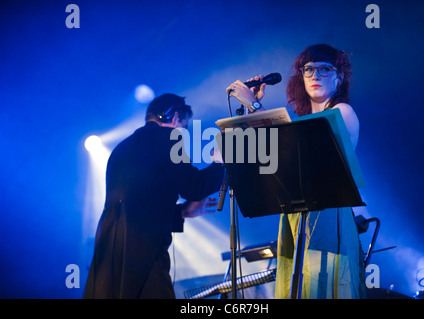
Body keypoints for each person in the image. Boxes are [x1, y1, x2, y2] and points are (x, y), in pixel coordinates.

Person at [226, 44, 365, 299]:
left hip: (327, 214)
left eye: (325, 69)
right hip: (295, 212)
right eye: (308, 69)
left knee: (321, 287)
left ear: (339, 77)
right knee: (296, 288)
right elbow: (268, 155)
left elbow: (304, 151)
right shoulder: (300, 118)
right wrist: (251, 108)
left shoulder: (342, 111)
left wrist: (256, 107)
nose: (315, 75)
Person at [83, 93, 224, 299]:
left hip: (110, 250)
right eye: (183, 127)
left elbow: (138, 201)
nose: (182, 133)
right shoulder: (167, 138)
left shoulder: (122, 148)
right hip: (144, 253)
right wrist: (219, 162)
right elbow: (195, 187)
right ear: (174, 117)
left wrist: (182, 211)